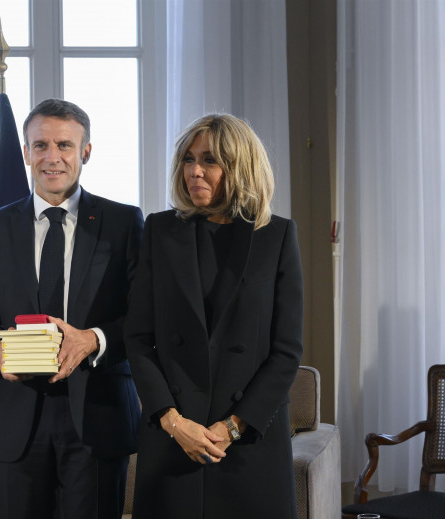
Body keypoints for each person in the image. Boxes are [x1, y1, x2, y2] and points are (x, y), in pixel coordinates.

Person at [0, 98, 143, 519]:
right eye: (41, 145)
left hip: (97, 413)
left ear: (85, 151)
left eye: (64, 145)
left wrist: (94, 340)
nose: (52, 158)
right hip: (19, 416)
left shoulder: (124, 223)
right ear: (26, 152)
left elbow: (145, 318)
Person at [124, 114, 303, 518]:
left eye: (210, 160)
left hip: (247, 443)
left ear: (240, 168)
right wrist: (173, 422)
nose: (195, 171)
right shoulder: (159, 231)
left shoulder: (276, 236)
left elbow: (287, 351)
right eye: (188, 159)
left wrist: (232, 427)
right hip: (172, 438)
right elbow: (137, 338)